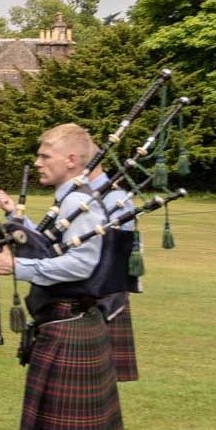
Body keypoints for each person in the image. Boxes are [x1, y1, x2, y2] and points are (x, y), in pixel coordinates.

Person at [0, 123, 123, 430]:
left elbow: (82, 264)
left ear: (71, 160)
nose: (38, 162)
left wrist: (18, 268)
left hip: (69, 325)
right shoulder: (73, 202)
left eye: (45, 155)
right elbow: (55, 250)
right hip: (71, 324)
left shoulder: (82, 203)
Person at [87, 165, 139, 385]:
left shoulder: (115, 198)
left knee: (97, 382)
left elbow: (114, 258)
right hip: (87, 295)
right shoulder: (82, 195)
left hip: (102, 297)